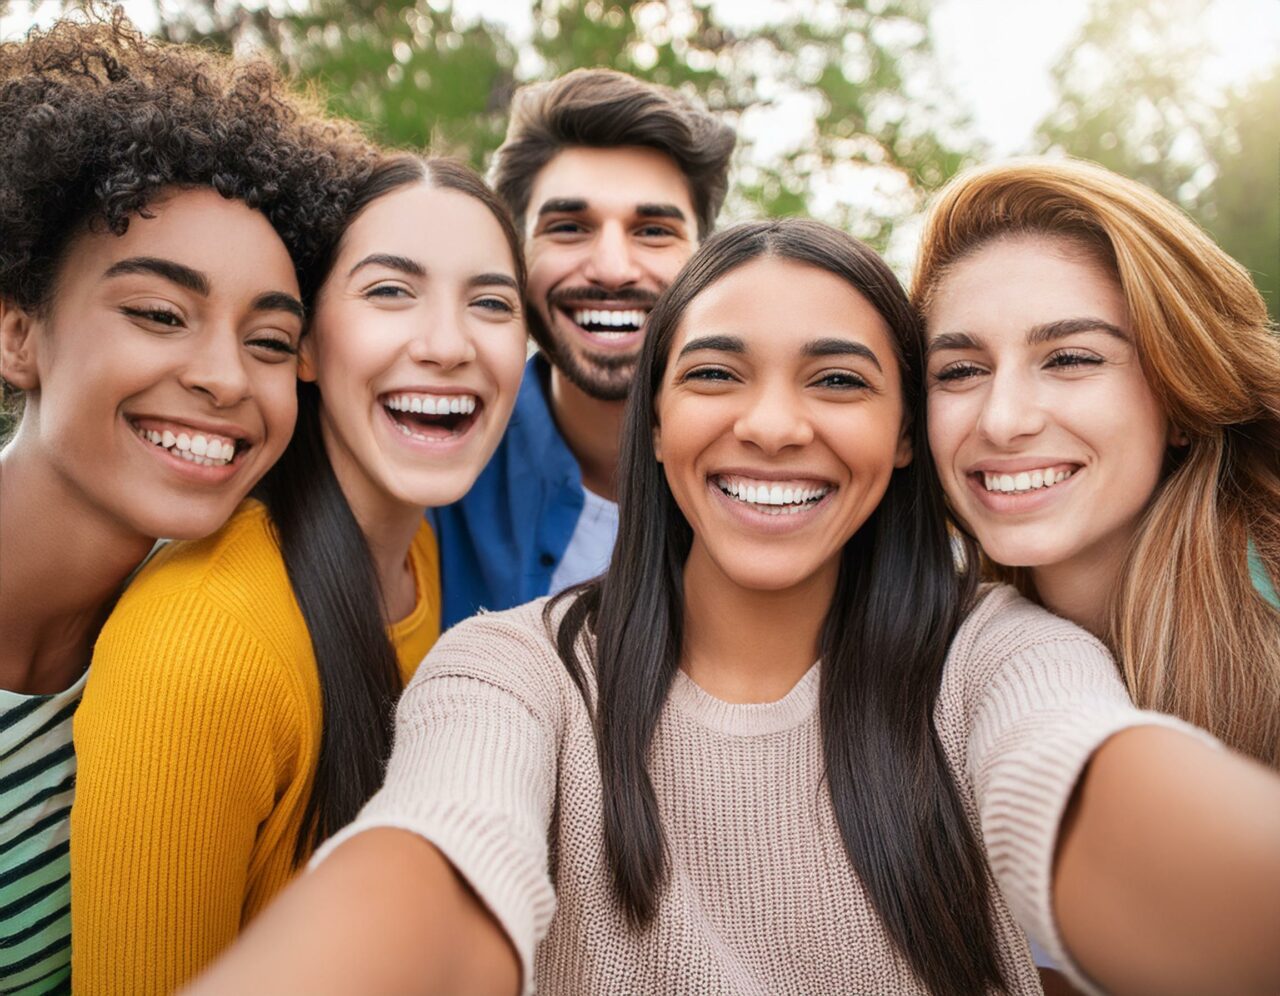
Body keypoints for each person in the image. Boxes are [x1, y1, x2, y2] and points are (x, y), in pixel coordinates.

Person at [188, 219, 1280, 996]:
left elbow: (1080, 780)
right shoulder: (510, 672)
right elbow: (443, 850)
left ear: (904, 435)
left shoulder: (1001, 658)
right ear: (655, 423)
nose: (771, 426)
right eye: (714, 374)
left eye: (838, 381)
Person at [69, 154, 529, 994]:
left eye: (492, 303)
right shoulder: (198, 646)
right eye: (390, 291)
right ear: (305, 343)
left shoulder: (420, 551)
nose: (447, 344)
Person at [0, 13, 365, 992]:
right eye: (161, 314)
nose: (224, 378)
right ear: (19, 334)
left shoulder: (204, 634)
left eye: (270, 342)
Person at [914, 158, 1279, 771]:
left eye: (1071, 359)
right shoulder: (930, 648)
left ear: (1182, 396)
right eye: (961, 371)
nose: (1002, 421)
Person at [430, 67, 736, 627]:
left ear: (705, 261)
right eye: (569, 227)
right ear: (513, 256)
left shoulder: (770, 471)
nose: (613, 269)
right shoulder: (430, 469)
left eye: (653, 231)